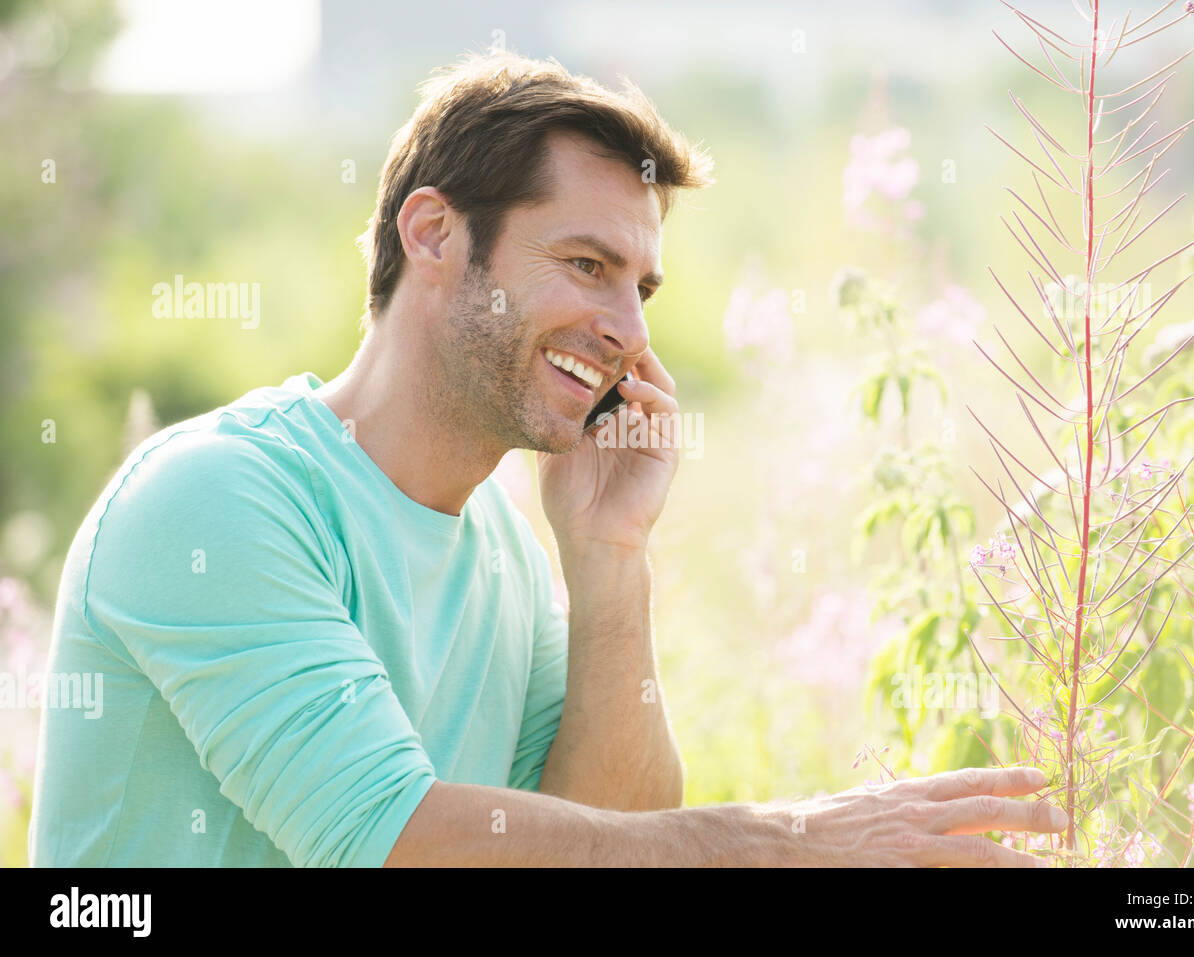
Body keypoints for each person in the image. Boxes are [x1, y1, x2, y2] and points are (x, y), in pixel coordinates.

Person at [28, 51, 1064, 867]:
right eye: (585, 265)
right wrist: (791, 842)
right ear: (433, 236)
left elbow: (602, 846)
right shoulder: (216, 501)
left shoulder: (509, 560)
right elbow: (391, 842)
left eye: (641, 290)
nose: (624, 329)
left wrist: (609, 557)